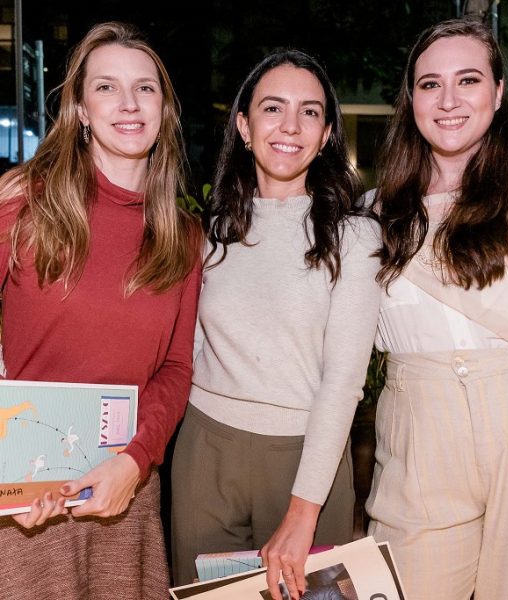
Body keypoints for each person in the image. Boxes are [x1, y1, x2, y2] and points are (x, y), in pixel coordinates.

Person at [366, 18, 508, 600]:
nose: (448, 101)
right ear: (411, 99)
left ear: (497, 94)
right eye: (429, 84)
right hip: (416, 434)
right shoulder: (373, 216)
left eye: (468, 80)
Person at [0, 21, 202, 600]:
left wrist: (135, 463)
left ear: (165, 110)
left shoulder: (182, 236)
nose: (129, 104)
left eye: (145, 88)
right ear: (81, 110)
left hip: (124, 493)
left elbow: (176, 368)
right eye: (107, 87)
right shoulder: (24, 202)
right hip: (24, 497)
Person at [170, 49, 381, 600]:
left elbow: (343, 382)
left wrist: (304, 510)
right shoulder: (209, 232)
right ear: (243, 125)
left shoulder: (355, 239)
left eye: (310, 112)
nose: (290, 126)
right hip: (205, 452)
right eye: (272, 108)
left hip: (309, 458)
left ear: (327, 131)